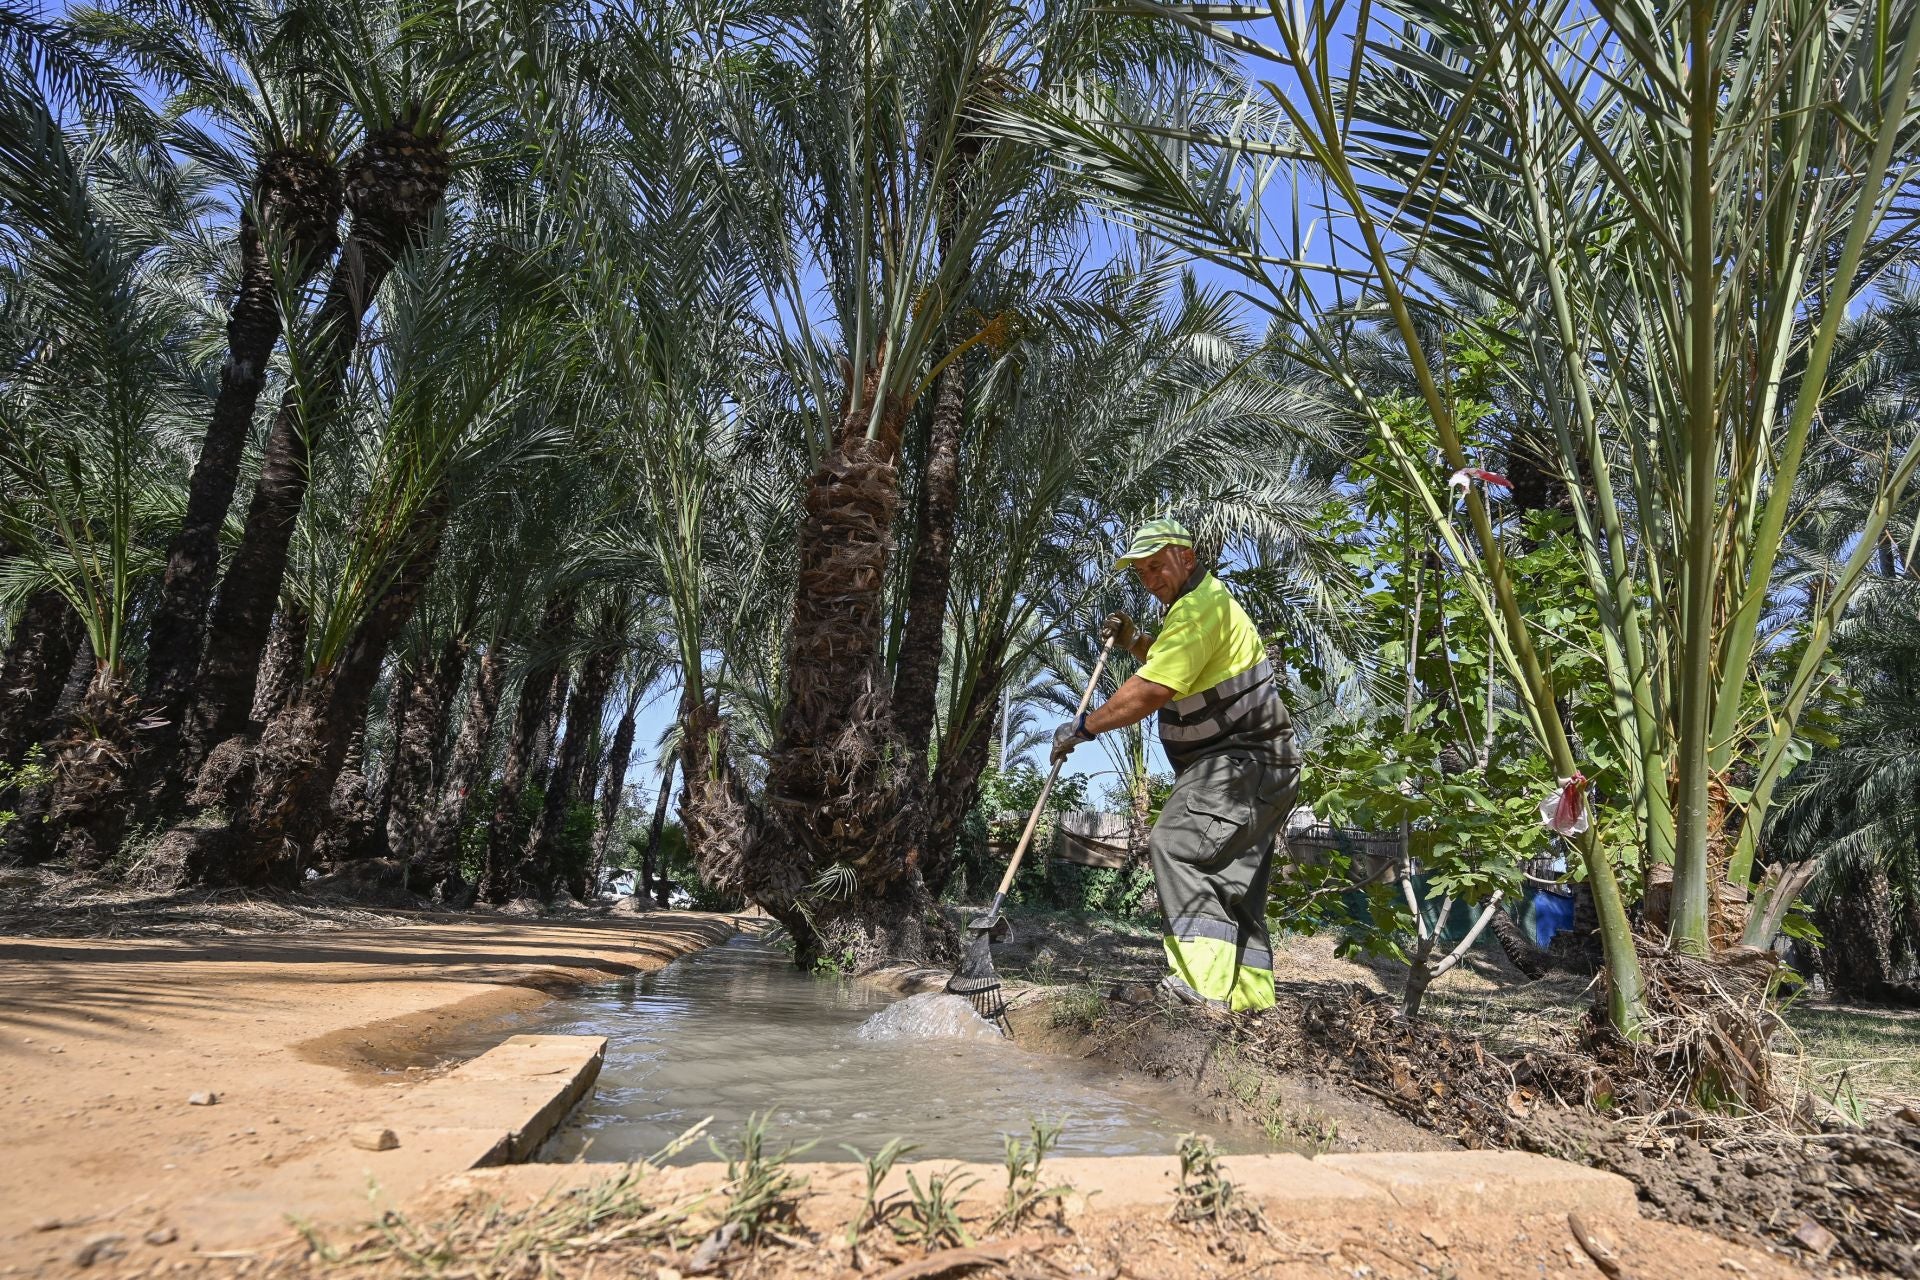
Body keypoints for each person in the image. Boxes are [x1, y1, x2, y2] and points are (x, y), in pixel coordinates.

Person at [1051, 517, 1300, 1012]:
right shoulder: (1201, 609)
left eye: (1156, 566)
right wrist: (1134, 641)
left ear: (1186, 557)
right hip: (1268, 769)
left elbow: (1153, 689)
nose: (1149, 579)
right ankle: (1251, 1004)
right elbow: (1177, 662)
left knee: (1174, 846)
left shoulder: (1198, 607)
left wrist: (1082, 727)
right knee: (1235, 887)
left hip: (1239, 761)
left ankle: (1200, 994)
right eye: (1141, 572)